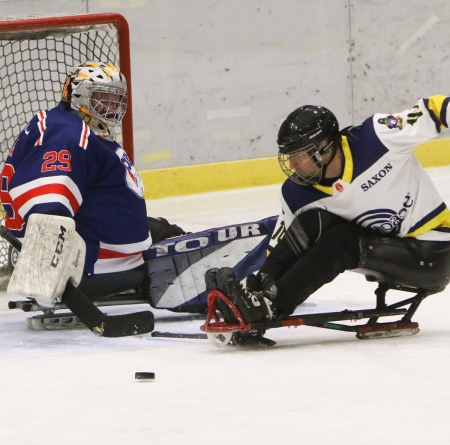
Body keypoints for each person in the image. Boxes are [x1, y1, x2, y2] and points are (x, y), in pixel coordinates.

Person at [209, 98, 450, 324]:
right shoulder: (296, 193)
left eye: (298, 154)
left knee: (342, 240)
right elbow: (281, 245)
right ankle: (259, 298)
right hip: (387, 244)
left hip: (434, 251)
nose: (292, 164)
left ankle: (274, 307)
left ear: (324, 147)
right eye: (288, 156)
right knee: (313, 221)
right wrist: (259, 280)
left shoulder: (377, 137)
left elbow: (434, 109)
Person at [0, 61, 184, 303]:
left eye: (115, 100)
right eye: (103, 99)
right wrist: (45, 279)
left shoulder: (66, 125)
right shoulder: (68, 135)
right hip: (94, 267)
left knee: (168, 233)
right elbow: (47, 209)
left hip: (96, 245)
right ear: (77, 95)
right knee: (185, 258)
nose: (111, 107)